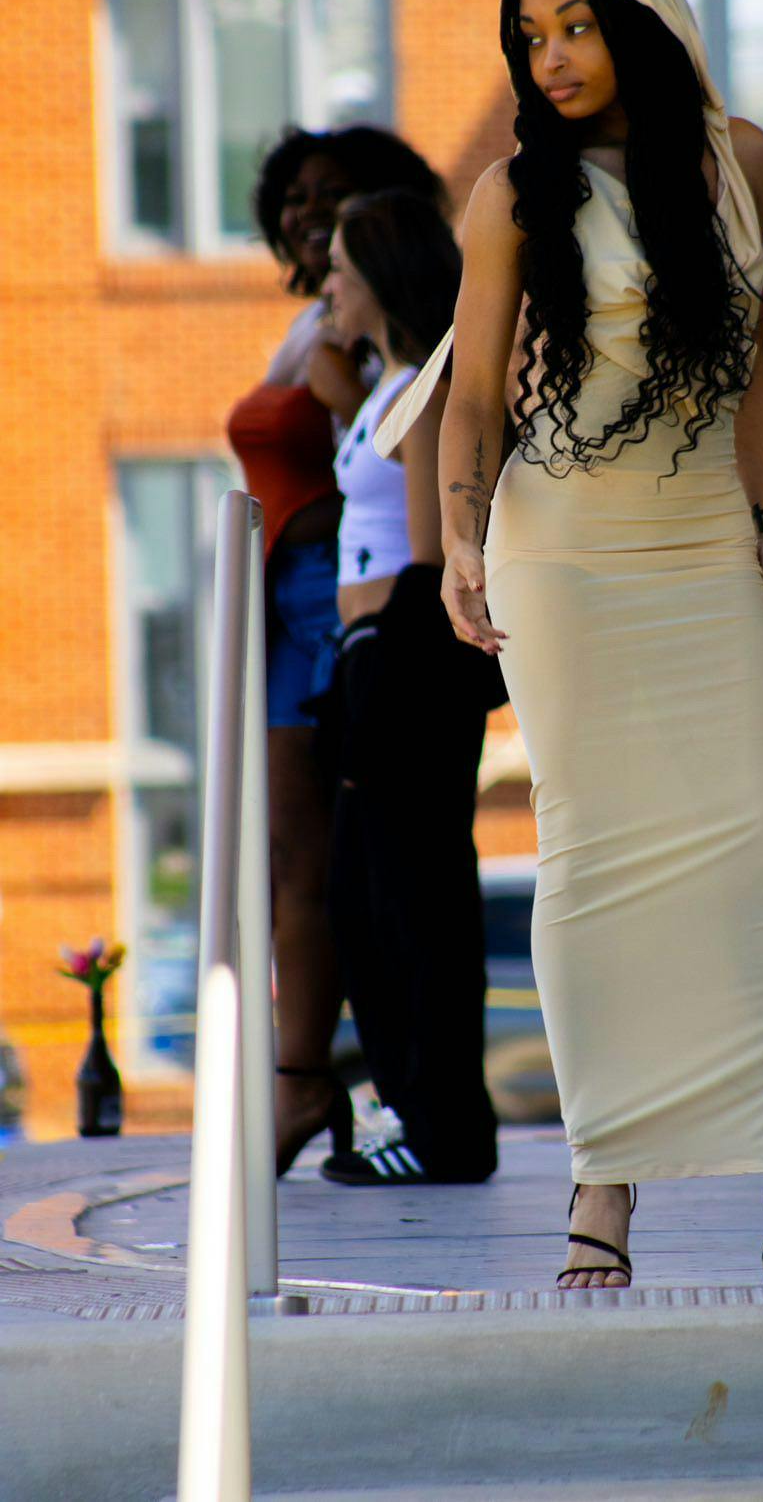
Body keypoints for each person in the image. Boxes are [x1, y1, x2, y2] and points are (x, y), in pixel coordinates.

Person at [375, 0, 763, 1290]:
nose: (553, 56)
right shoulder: (512, 192)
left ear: (637, 17)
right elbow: (464, 406)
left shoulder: (736, 157)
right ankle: (601, 1184)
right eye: (531, 37)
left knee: (759, 837)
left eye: (575, 24)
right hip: (559, 551)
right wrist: (459, 547)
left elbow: (747, 368)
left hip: (703, 541)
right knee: (587, 857)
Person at [227, 126, 448, 1176]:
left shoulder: (380, 337)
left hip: (353, 607)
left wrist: (342, 388)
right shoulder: (316, 322)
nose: (309, 216)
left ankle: (339, 1086)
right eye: (296, 198)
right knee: (297, 862)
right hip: (287, 603)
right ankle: (306, 1076)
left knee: (353, 866)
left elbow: (407, 453)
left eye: (336, 198)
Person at [311, 190, 499, 1186]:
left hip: (409, 652)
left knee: (412, 894)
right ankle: (415, 1110)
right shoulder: (388, 381)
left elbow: (433, 551)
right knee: (364, 894)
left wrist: (380, 646)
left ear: (380, 272)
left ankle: (442, 1125)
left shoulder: (430, 384)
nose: (325, 285)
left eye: (339, 266)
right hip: (371, 656)